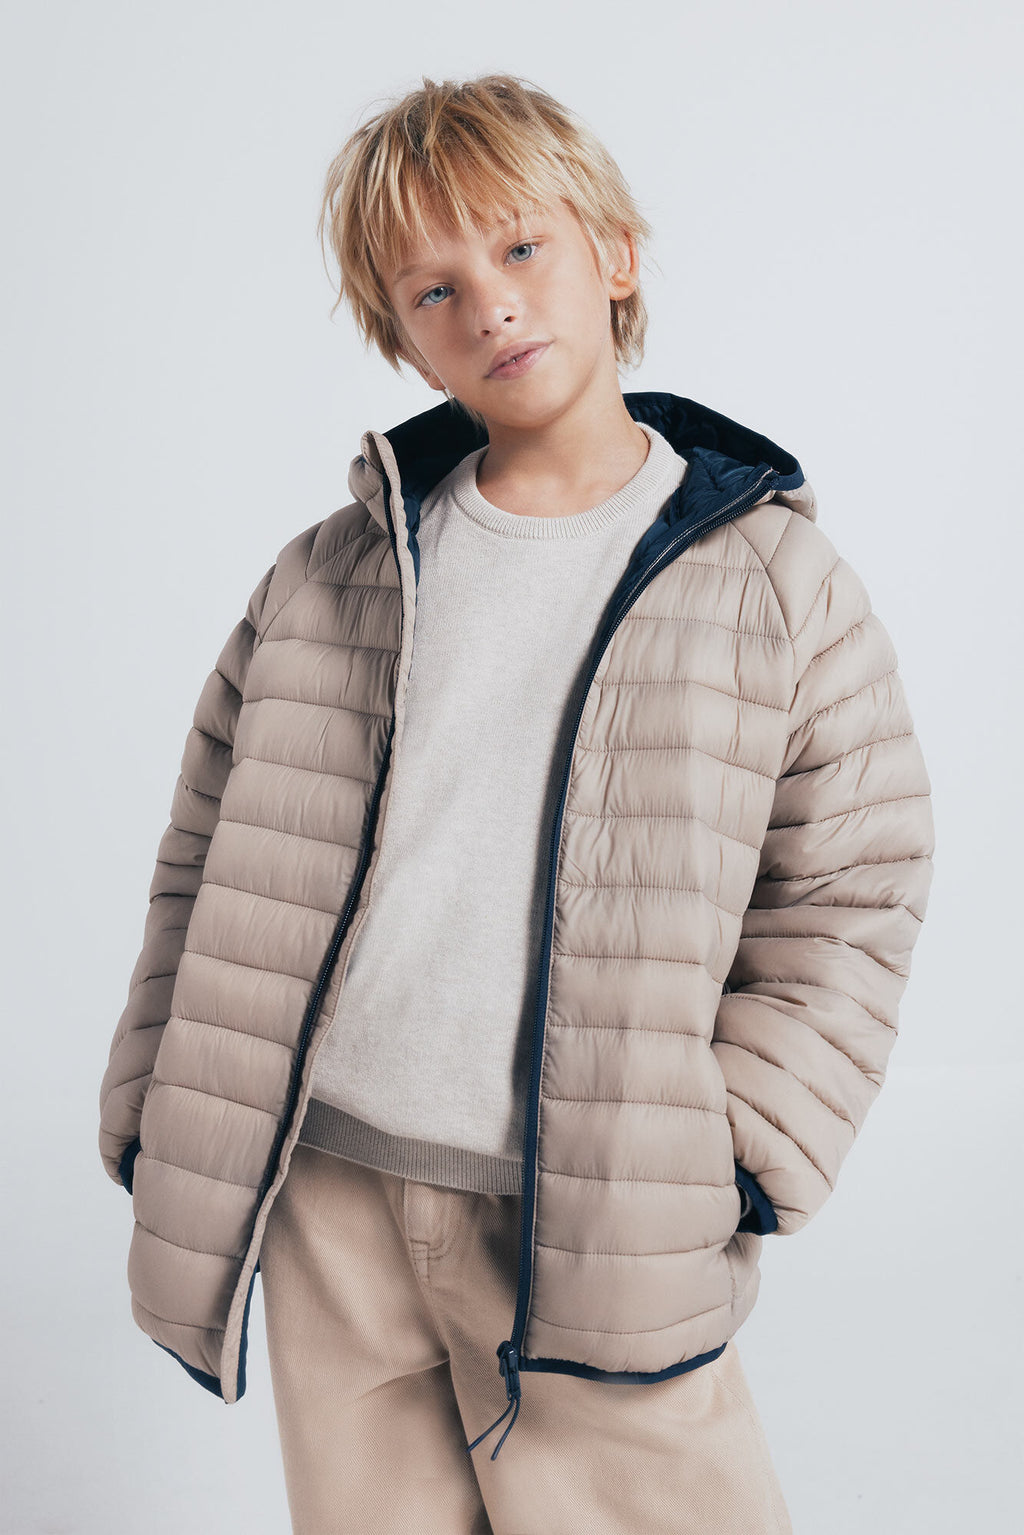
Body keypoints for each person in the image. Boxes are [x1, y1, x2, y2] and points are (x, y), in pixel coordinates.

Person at [98, 72, 935, 1534]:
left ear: (615, 254)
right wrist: (158, 1099)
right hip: (331, 1182)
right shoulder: (332, 574)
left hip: (593, 1214)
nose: (487, 303)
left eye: (521, 247)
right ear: (400, 334)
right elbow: (207, 855)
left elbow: (853, 889)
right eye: (433, 287)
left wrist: (737, 1148)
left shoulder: (774, 583)